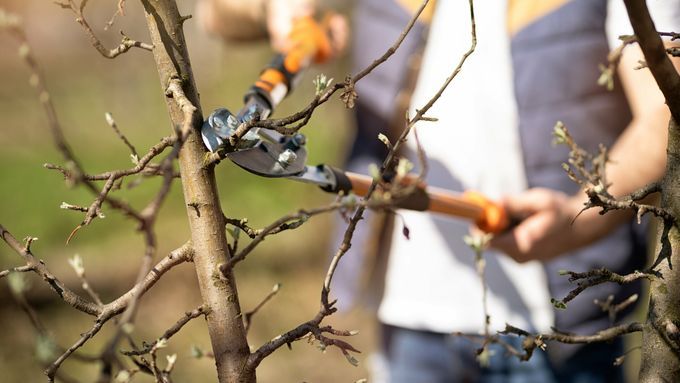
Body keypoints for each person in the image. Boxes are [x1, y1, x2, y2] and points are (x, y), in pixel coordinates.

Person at [196, 1, 680, 382]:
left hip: (561, 328)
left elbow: (667, 116)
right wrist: (275, 8)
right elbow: (218, 13)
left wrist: (579, 216)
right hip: (407, 319)